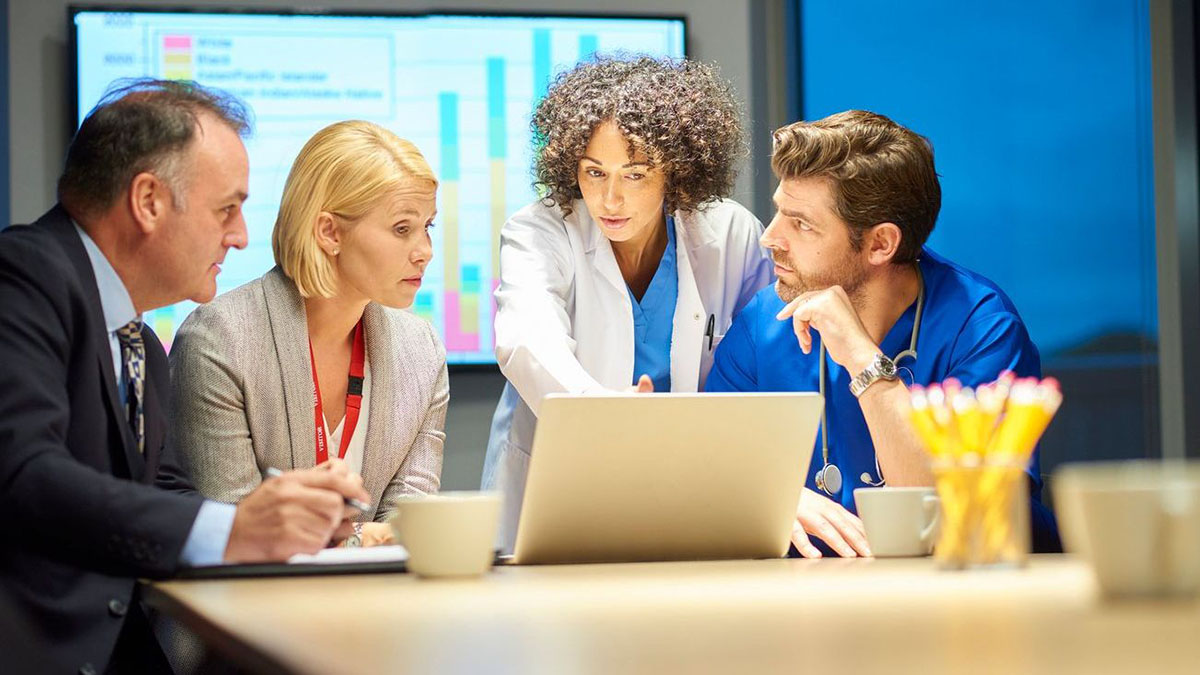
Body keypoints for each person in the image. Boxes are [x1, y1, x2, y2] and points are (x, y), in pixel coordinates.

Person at [0, 79, 370, 675]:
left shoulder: (139, 339)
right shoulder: (23, 276)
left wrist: (293, 526)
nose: (241, 235)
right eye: (227, 208)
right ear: (148, 201)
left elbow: (162, 497)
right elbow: (23, 474)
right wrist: (234, 527)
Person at [706, 110, 1061, 558]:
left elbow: (951, 515)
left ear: (880, 244)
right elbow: (712, 472)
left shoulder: (981, 328)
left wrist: (861, 356)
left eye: (802, 224)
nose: (770, 238)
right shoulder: (764, 323)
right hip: (811, 602)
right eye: (779, 213)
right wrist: (778, 500)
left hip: (961, 599)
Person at [481, 56, 774, 551]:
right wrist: (603, 416)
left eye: (635, 175)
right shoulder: (541, 230)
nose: (610, 199)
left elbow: (764, 358)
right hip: (563, 478)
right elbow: (526, 342)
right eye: (594, 173)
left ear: (676, 172)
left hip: (693, 481)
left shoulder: (731, 233)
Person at [170, 119, 447, 546]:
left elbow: (408, 527)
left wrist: (358, 541)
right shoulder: (220, 341)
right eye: (402, 229)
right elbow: (237, 537)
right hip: (243, 608)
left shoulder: (422, 351)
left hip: (377, 607)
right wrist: (362, 540)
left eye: (428, 227)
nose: (424, 252)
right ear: (329, 232)